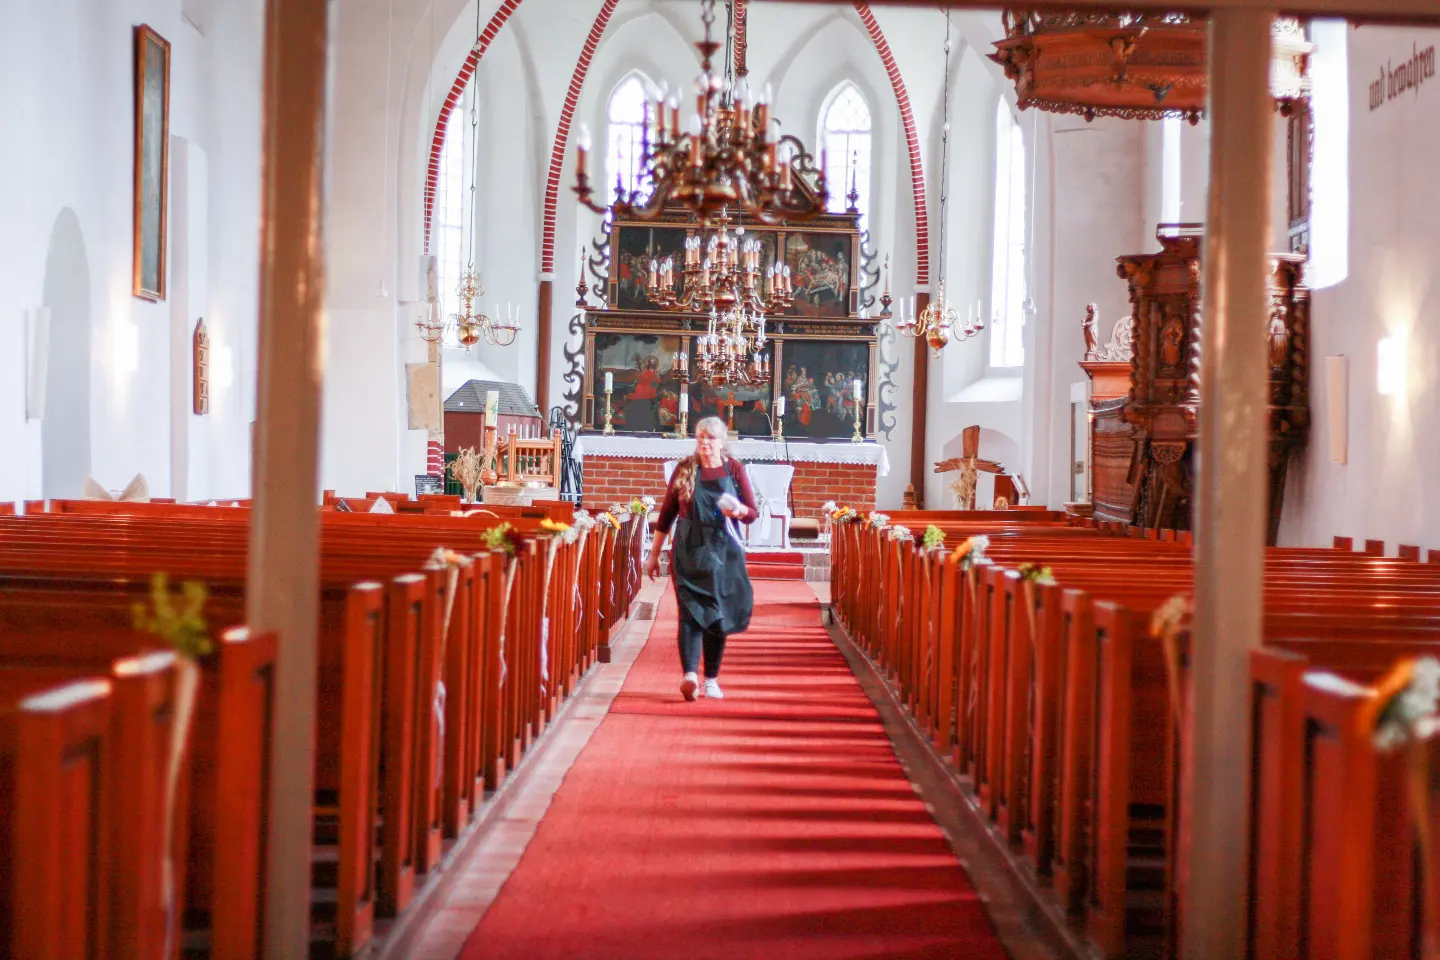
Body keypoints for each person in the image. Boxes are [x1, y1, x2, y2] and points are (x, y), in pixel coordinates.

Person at [644, 417, 758, 701]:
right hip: (689, 552)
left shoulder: (734, 469)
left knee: (718, 617)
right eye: (700, 437)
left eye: (710, 438)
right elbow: (667, 515)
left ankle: (711, 680)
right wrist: (654, 554)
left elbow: (753, 513)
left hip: (723, 553)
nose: (705, 443)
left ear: (722, 441)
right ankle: (690, 676)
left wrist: (739, 512)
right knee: (690, 615)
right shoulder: (685, 469)